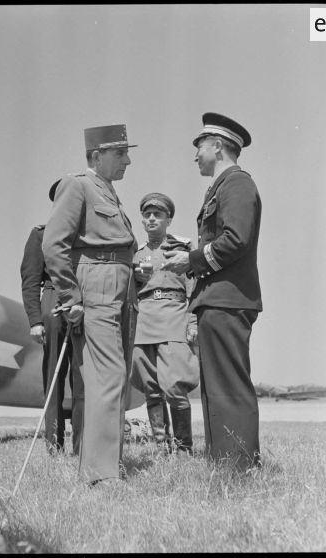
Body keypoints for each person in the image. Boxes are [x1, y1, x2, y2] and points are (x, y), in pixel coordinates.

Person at [162, 112, 262, 471]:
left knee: (228, 385)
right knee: (216, 387)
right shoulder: (223, 186)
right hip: (217, 298)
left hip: (227, 298)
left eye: (199, 145)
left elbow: (236, 239)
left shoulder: (236, 184)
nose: (195, 154)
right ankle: (226, 463)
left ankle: (238, 466)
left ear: (218, 146)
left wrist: (190, 261)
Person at [42, 124, 138, 486]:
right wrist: (69, 296)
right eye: (120, 153)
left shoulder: (108, 191)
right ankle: (100, 476)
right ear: (97, 155)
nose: (127, 160)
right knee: (107, 377)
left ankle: (102, 465)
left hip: (119, 284)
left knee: (112, 378)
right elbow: (53, 245)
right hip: (96, 285)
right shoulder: (77, 185)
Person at [131, 193, 199, 454]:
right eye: (147, 215)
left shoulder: (182, 249)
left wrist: (192, 321)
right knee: (151, 388)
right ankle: (162, 447)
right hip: (144, 321)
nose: (151, 219)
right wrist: (136, 279)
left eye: (157, 214)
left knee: (174, 386)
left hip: (173, 317)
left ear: (168, 219)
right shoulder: (136, 255)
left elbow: (193, 288)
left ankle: (184, 449)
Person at [20, 180, 84, 455]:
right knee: (54, 375)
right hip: (54, 302)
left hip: (85, 303)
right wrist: (35, 320)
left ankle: (83, 444)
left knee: (84, 375)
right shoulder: (40, 235)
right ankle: (54, 444)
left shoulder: (87, 236)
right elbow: (31, 280)